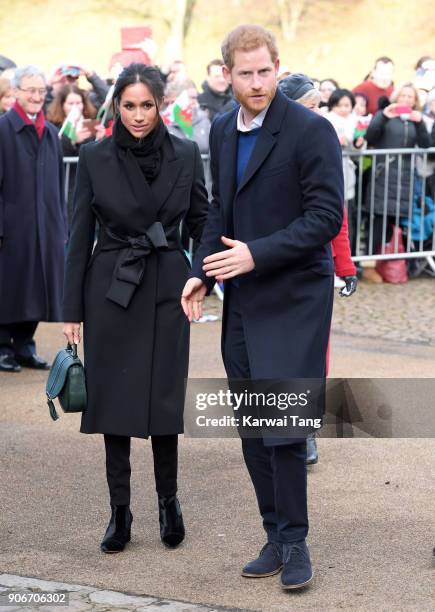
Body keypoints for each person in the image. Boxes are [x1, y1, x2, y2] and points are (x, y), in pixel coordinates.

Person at [181, 25, 343, 590]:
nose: (256, 83)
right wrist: (202, 272)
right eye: (244, 73)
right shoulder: (223, 129)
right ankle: (273, 534)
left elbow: (326, 219)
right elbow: (219, 209)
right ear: (226, 75)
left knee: (285, 425)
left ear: (279, 66)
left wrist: (256, 255)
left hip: (296, 294)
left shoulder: (311, 130)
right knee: (253, 424)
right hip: (245, 299)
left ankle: (297, 543)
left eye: (264, 71)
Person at [62, 63, 209, 554]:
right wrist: (70, 310)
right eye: (129, 105)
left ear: (161, 104)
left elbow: (203, 222)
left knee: (165, 396)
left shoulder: (187, 154)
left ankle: (169, 502)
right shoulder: (94, 156)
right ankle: (119, 511)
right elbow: (78, 236)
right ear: (116, 106)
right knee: (115, 401)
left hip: (169, 283)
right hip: (111, 290)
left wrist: (200, 274)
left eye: (147, 105)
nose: (138, 115)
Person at [277, 73, 357, 466]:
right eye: (311, 106)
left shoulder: (322, 143)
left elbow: (335, 214)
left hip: (313, 269)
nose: (318, 114)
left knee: (312, 354)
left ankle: (305, 429)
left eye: (319, 106)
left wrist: (345, 265)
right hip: (272, 267)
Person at [0, 65, 66, 373]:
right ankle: (3, 346)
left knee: (38, 288)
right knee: (9, 287)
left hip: (46, 226)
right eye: (31, 90)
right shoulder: (3, 130)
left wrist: (60, 226)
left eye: (42, 91)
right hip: (13, 226)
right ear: (15, 92)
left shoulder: (51, 133)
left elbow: (57, 184)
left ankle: (25, 345)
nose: (37, 97)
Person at [363, 82, 431, 281]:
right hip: (383, 175)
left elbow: (426, 144)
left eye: (410, 97)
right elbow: (371, 137)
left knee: (397, 222)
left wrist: (419, 123)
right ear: (396, 97)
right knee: (378, 219)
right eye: (403, 96)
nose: (406, 100)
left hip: (405, 178)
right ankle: (367, 264)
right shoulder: (385, 115)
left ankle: (390, 264)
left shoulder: (416, 120)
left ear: (415, 101)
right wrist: (384, 116)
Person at [46, 84, 105, 222]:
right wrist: (72, 140)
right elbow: (53, 150)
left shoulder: (89, 124)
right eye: (70, 103)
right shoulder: (54, 126)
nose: (75, 107)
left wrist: (100, 138)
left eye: (78, 103)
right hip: (64, 186)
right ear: (62, 105)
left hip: (87, 185)